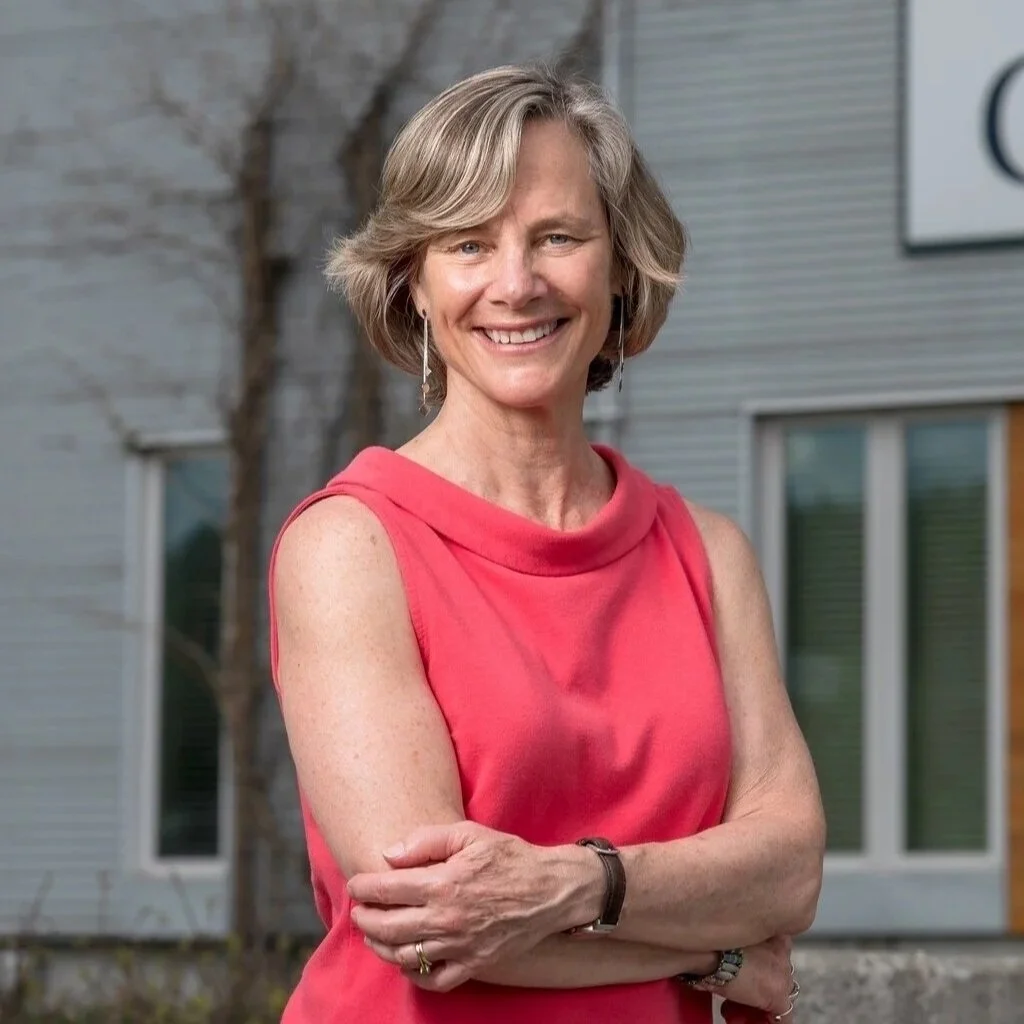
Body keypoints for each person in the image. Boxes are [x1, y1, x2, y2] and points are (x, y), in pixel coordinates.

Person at [269, 63, 825, 1024]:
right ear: (414, 283)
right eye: (469, 243)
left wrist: (577, 884)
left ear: (619, 267)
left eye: (557, 237)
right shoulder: (351, 547)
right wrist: (719, 949)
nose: (516, 283)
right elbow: (434, 927)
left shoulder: (707, 554)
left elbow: (791, 868)